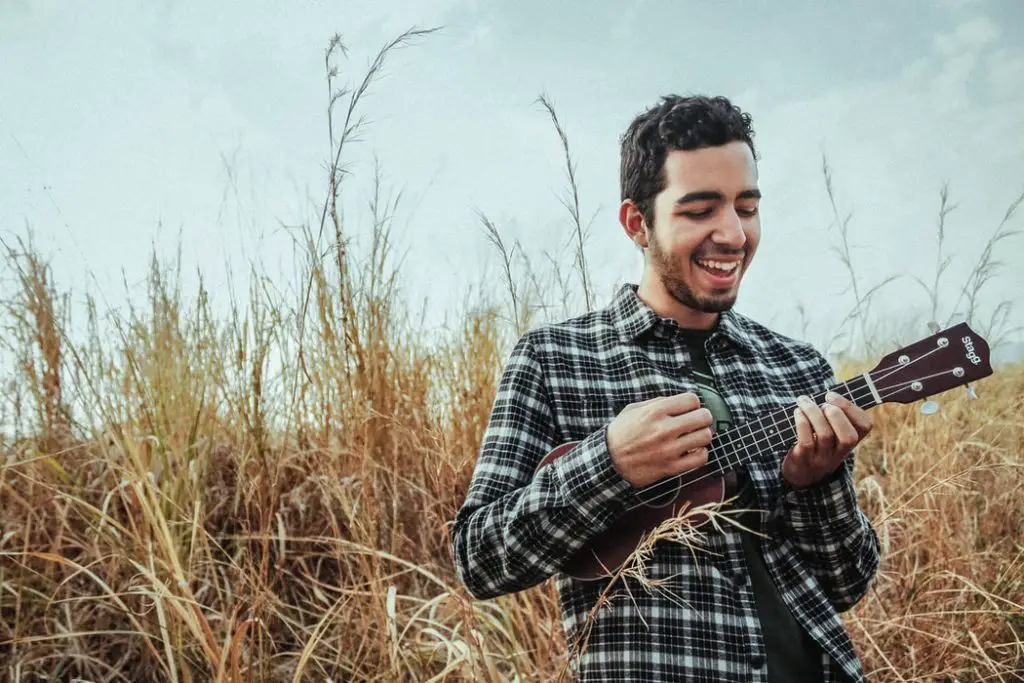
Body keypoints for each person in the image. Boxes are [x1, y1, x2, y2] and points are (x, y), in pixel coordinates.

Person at [451, 94, 881, 682]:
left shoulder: (797, 367)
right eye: (700, 210)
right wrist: (608, 464)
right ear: (637, 223)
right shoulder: (554, 360)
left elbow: (846, 584)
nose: (732, 234)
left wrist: (817, 485)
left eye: (747, 207)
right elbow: (480, 559)